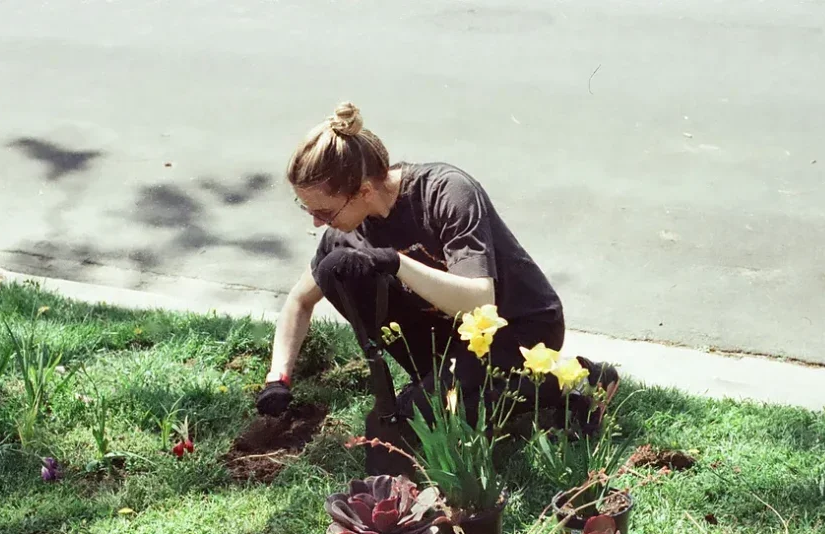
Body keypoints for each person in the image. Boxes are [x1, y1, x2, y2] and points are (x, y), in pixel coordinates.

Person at [255, 102, 617, 455]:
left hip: (519, 327)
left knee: (433, 416)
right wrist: (278, 378)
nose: (316, 222)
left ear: (364, 191)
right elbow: (300, 300)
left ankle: (576, 378)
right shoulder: (347, 230)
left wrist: (397, 262)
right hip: (450, 340)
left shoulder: (445, 193)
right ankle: (440, 383)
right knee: (339, 267)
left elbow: (480, 302)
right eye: (307, 209)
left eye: (323, 211)